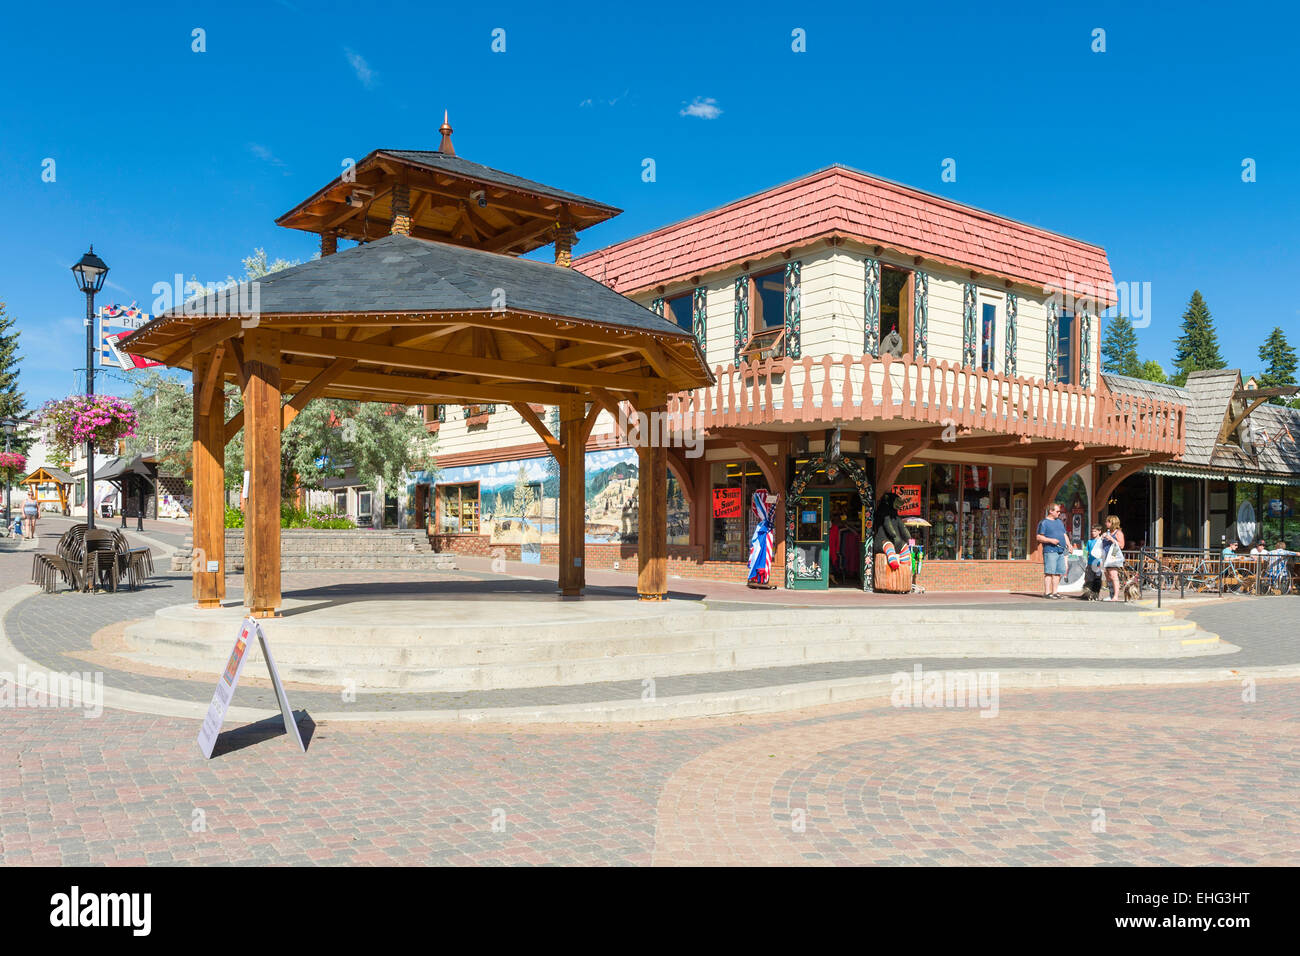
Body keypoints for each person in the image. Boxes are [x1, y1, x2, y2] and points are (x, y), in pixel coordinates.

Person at [1036, 503, 1072, 599]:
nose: (1059, 513)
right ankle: (1047, 593)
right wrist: (1050, 540)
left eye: (1059, 511)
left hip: (1061, 550)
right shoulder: (1043, 523)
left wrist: (1069, 544)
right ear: (1051, 511)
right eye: (1057, 511)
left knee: (1058, 572)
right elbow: (1039, 537)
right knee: (1049, 572)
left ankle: (1055, 592)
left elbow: (1064, 534)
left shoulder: (1059, 522)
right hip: (1050, 550)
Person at [1100, 515, 1126, 601]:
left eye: (1108, 521)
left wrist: (1111, 539)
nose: (1106, 523)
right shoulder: (1107, 532)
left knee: (1114, 575)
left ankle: (1116, 596)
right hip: (1106, 556)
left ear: (1113, 523)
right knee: (1108, 576)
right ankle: (1111, 595)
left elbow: (1121, 545)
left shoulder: (1118, 533)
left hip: (1113, 556)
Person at [1084, 524, 1105, 598]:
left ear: (1099, 531)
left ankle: (1096, 594)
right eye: (1092, 531)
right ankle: (1088, 594)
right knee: (1089, 579)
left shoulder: (1102, 541)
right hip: (1090, 563)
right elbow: (1087, 552)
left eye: (1095, 531)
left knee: (1097, 579)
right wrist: (1086, 561)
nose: (1093, 533)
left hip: (1098, 563)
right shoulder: (1090, 541)